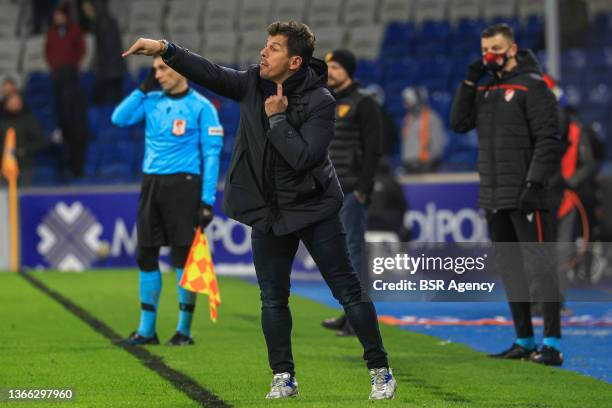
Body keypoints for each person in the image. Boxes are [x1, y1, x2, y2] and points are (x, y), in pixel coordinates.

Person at [121, 20, 396, 400]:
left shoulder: (321, 101)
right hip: (267, 211)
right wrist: (165, 48)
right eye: (266, 45)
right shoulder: (251, 82)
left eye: (274, 48)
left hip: (313, 208)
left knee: (348, 292)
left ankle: (380, 370)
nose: (263, 52)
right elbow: (208, 71)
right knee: (272, 298)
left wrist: (277, 118)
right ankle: (284, 377)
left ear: (295, 61)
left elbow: (302, 159)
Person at [450, 24, 563, 365]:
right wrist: (469, 83)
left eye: (496, 48)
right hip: (495, 196)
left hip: (528, 195)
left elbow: (549, 138)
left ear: (512, 49)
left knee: (542, 268)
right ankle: (525, 340)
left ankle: (553, 344)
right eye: (485, 49)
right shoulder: (487, 89)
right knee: (511, 269)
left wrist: (534, 184)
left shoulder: (533, 86)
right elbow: (459, 123)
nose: (490, 55)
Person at [111, 56, 223, 347]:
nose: (158, 74)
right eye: (155, 69)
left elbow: (211, 157)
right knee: (145, 254)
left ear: (181, 69)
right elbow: (119, 118)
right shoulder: (152, 100)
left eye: (163, 68)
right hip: (152, 184)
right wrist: (142, 89)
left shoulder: (202, 107)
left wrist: (207, 200)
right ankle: (147, 331)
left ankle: (183, 331)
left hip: (185, 186)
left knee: (182, 259)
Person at [320, 49, 381, 337]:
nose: (329, 71)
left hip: (352, 188)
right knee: (340, 255)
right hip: (330, 186)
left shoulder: (364, 102)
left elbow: (374, 149)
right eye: (328, 66)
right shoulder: (327, 100)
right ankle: (349, 313)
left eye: (335, 66)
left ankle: (359, 317)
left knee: (354, 252)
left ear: (349, 70)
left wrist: (363, 189)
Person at [45, 3, 90, 178]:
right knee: (63, 119)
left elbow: (81, 49)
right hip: (58, 77)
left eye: (60, 15)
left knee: (74, 122)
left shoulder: (75, 30)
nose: (57, 18)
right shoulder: (51, 32)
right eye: (55, 15)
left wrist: (73, 65)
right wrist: (54, 66)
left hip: (71, 74)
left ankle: (77, 166)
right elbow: (48, 51)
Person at [83, 0, 125, 105]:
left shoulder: (103, 24)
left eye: (88, 9)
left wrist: (98, 69)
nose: (87, 12)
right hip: (113, 70)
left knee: (106, 103)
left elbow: (107, 50)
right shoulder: (105, 22)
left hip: (109, 72)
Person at [0, 92, 46, 186]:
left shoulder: (29, 120)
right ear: (5, 104)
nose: (14, 105)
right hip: (2, 166)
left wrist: (25, 150)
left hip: (25, 166)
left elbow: (41, 142)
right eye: (11, 102)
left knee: (22, 196)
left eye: (17, 102)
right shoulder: (1, 121)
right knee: (3, 197)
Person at [401, 87, 446, 173]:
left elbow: (437, 145)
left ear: (416, 101)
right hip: (409, 166)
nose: (405, 105)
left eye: (407, 101)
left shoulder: (432, 118)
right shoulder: (408, 118)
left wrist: (429, 163)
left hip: (425, 167)